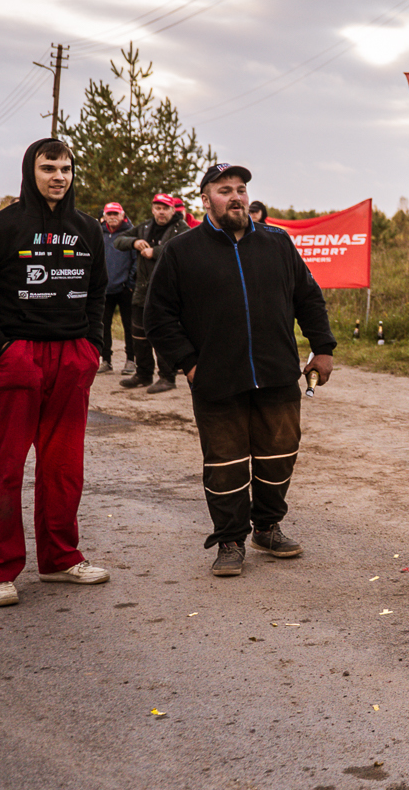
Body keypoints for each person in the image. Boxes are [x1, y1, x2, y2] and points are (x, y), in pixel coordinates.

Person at [143, 163, 335, 578]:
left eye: (241, 189)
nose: (236, 197)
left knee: (279, 456)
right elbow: (158, 316)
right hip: (216, 380)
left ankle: (266, 527)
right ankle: (229, 539)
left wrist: (323, 348)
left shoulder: (276, 242)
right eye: (224, 190)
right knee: (225, 464)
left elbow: (308, 297)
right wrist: (190, 365)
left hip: (277, 375)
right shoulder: (182, 250)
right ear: (205, 199)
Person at [0, 138, 111, 607]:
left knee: (64, 469)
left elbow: (98, 291)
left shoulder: (87, 229)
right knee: (4, 469)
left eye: (66, 168)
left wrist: (92, 346)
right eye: (48, 167)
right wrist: (0, 347)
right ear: (29, 171)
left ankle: (59, 558)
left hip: (71, 360)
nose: (59, 176)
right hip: (16, 359)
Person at [115, 192, 192, 391]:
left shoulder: (182, 229)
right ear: (152, 209)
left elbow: (185, 249)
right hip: (142, 290)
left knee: (163, 334)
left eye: (165, 208)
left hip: (167, 291)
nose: (161, 212)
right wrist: (134, 242)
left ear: (172, 210)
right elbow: (118, 240)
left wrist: (155, 252)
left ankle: (168, 377)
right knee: (138, 335)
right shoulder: (144, 227)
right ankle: (143, 374)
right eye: (158, 208)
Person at [97, 203, 136, 375]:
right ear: (104, 216)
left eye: (116, 213)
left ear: (122, 215)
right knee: (103, 325)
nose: (112, 217)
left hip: (125, 289)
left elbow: (136, 260)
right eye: (109, 214)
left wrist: (130, 283)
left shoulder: (131, 233)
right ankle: (106, 360)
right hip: (104, 289)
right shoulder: (99, 233)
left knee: (129, 326)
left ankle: (131, 360)